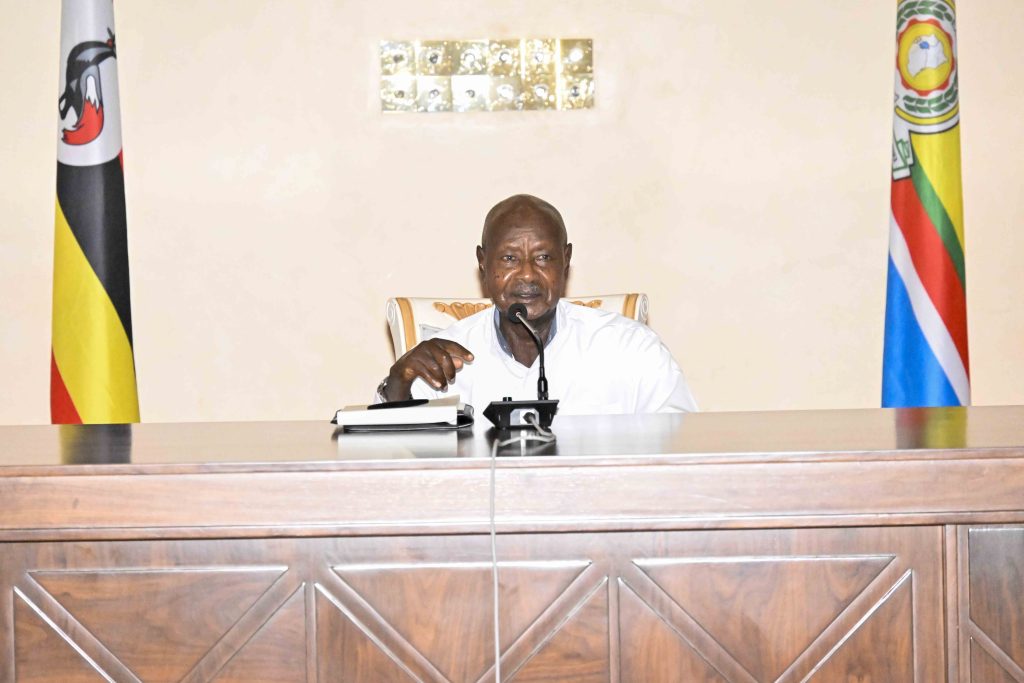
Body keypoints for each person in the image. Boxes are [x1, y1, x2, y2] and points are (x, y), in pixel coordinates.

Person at [377, 194, 697, 414]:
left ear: (566, 260)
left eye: (543, 257)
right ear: (483, 263)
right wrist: (399, 382)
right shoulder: (446, 358)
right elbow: (392, 459)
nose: (527, 274)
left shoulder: (630, 349)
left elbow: (680, 446)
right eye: (509, 258)